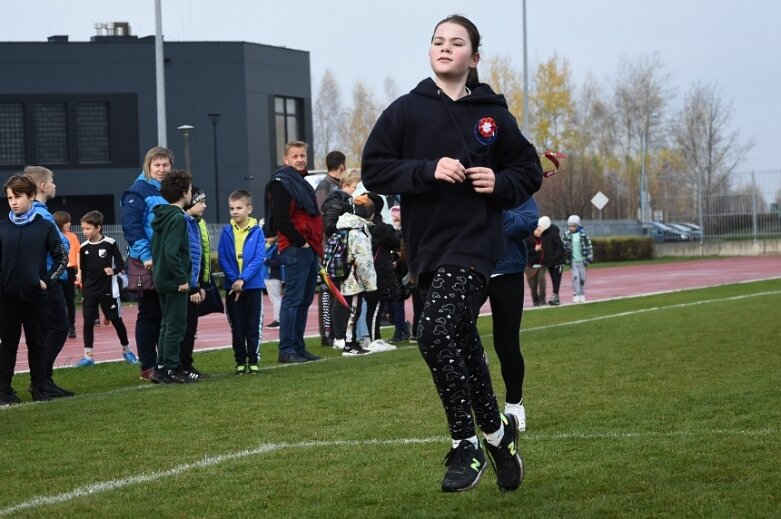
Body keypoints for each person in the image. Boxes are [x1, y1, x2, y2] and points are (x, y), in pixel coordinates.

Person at [362, 15, 542, 493]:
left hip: (477, 245)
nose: (445, 48)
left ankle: (465, 443)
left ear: (474, 57)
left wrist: (499, 183)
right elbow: (374, 169)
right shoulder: (405, 110)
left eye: (456, 43)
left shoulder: (493, 115)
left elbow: (528, 168)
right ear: (430, 52)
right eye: (438, 41)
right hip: (426, 249)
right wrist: (426, 169)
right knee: (458, 339)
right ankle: (500, 439)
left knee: (433, 330)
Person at [472, 198, 539, 432]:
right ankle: (476, 357)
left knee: (507, 344)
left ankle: (514, 403)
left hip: (507, 270)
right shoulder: (464, 184)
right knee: (459, 329)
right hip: (471, 267)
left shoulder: (514, 187)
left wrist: (493, 207)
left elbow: (525, 225)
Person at [0, 175, 68, 405]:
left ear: (30, 196)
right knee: (7, 344)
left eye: (18, 196)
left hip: (36, 298)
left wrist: (47, 281)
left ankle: (40, 387)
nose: (13, 202)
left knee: (37, 343)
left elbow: (62, 258)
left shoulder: (44, 226)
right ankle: (3, 390)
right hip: (7, 298)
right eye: (10, 197)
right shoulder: (2, 228)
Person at [264, 141, 324, 364]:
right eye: (295, 156)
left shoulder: (300, 182)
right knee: (294, 299)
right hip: (296, 248)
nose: (300, 159)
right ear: (285, 160)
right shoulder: (282, 182)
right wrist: (301, 242)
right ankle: (287, 349)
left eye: (302, 155)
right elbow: (281, 218)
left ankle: (298, 347)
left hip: (308, 247)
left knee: (305, 299)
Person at [121, 146, 172, 380]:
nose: (161, 169)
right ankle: (148, 365)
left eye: (165, 165)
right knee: (150, 314)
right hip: (150, 262)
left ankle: (167, 362)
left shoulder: (171, 190)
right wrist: (146, 256)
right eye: (157, 165)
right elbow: (132, 229)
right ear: (148, 166)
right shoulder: (138, 191)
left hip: (169, 261)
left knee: (168, 315)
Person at [23, 166, 74, 398]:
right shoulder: (41, 214)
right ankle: (42, 380)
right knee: (58, 328)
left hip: (45, 279)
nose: (55, 184)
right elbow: (62, 246)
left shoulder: (39, 212)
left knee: (47, 331)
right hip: (48, 281)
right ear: (42, 186)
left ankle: (43, 380)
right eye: (52, 180)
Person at [149, 169, 196, 384]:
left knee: (166, 325)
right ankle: (172, 367)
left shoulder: (162, 215)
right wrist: (182, 278)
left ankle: (161, 367)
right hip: (174, 280)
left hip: (161, 278)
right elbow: (171, 251)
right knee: (176, 325)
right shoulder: (177, 218)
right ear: (183, 192)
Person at [75, 210, 134, 367]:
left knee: (116, 320)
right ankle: (88, 356)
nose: (84, 232)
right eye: (83, 228)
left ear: (98, 228)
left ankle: (126, 350)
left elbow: (121, 264)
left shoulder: (110, 243)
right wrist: (83, 288)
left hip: (109, 290)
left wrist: (113, 271)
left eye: (88, 228)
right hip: (90, 291)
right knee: (88, 322)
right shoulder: (83, 247)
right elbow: (84, 270)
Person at [218, 190, 266, 374]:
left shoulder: (257, 232)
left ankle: (253, 360)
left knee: (253, 325)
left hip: (252, 286)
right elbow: (223, 258)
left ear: (249, 208)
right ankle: (240, 361)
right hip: (233, 287)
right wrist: (234, 279)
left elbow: (258, 258)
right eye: (232, 208)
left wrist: (243, 279)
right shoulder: (226, 232)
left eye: (239, 208)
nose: (235, 211)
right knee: (237, 327)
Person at [329, 194, 378, 356]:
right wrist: (371, 284)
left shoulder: (342, 227)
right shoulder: (358, 233)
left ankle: (343, 339)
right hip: (353, 277)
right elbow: (364, 262)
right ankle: (349, 344)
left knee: (343, 307)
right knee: (353, 311)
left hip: (340, 273)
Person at [315, 151, 347, 346]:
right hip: (328, 247)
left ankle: (337, 331)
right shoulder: (324, 187)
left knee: (338, 290)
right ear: (342, 165)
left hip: (338, 246)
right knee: (327, 290)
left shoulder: (335, 186)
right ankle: (327, 332)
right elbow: (321, 219)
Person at [363, 192, 401, 352]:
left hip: (370, 271)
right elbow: (395, 241)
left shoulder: (363, 225)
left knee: (373, 305)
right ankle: (374, 338)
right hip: (378, 271)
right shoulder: (379, 227)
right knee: (376, 305)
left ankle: (373, 337)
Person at [180, 187, 210, 379]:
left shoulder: (196, 223)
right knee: (184, 329)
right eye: (200, 201)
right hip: (185, 286)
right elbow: (186, 257)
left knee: (191, 328)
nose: (204, 205)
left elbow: (200, 256)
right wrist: (193, 286)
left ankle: (186, 364)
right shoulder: (184, 223)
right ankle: (182, 366)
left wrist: (201, 283)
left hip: (194, 283)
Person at [54, 211, 80, 339]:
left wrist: (79, 271)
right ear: (60, 222)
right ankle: (57, 325)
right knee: (57, 299)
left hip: (69, 270)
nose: (69, 223)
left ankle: (71, 326)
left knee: (70, 299)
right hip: (57, 270)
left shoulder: (72, 236)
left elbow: (78, 253)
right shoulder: (53, 235)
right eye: (67, 221)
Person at [563, 214, 593, 303]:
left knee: (582, 278)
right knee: (576, 277)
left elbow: (589, 246)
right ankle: (576, 294)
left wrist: (589, 257)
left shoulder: (583, 235)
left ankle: (582, 293)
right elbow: (563, 247)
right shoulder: (566, 235)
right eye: (570, 226)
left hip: (582, 260)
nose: (571, 228)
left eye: (574, 226)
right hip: (572, 260)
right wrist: (566, 257)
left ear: (578, 225)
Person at [537, 216, 566, 305]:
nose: (538, 228)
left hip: (557, 261)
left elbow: (559, 248)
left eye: (540, 227)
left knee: (556, 279)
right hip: (549, 262)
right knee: (553, 279)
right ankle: (555, 297)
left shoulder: (554, 234)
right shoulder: (543, 235)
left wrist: (554, 258)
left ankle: (555, 296)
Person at [263, 230, 283, 329]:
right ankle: (278, 319)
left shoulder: (276, 247)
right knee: (274, 299)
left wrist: (265, 260)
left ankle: (278, 320)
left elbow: (277, 263)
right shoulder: (268, 247)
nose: (266, 239)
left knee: (275, 299)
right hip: (267, 276)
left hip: (272, 276)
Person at [524, 226, 547, 307]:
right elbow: (525, 252)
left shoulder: (543, 239)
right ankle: (535, 301)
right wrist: (535, 250)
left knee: (542, 282)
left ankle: (543, 300)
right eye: (538, 230)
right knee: (533, 286)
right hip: (530, 267)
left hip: (541, 266)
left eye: (541, 231)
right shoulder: (527, 239)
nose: (539, 232)